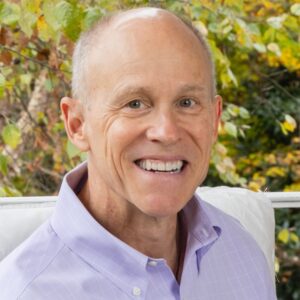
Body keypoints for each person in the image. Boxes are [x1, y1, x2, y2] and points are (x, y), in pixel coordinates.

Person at [0, 7, 276, 300]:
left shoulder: (241, 252)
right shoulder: (25, 291)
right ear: (77, 125)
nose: (166, 131)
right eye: (135, 103)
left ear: (214, 119)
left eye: (186, 102)